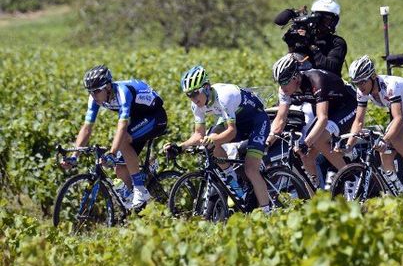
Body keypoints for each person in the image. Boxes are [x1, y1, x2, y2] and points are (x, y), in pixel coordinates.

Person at [163, 65, 272, 212]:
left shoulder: (224, 96)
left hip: (256, 121)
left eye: (195, 93)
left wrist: (213, 141)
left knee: (251, 169)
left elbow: (231, 132)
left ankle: (268, 213)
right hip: (234, 120)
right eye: (189, 95)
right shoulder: (196, 105)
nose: (193, 99)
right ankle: (234, 182)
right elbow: (199, 135)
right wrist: (180, 146)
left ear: (206, 87)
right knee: (210, 139)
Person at [61, 65, 167, 209]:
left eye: (97, 91)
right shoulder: (95, 99)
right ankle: (144, 204)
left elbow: (122, 127)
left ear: (108, 87)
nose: (93, 95)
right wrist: (75, 155)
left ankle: (140, 189)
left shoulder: (122, 93)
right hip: (137, 119)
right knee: (120, 170)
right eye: (90, 92)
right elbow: (87, 128)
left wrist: (111, 153)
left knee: (122, 140)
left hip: (155, 117)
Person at [345, 55, 403, 194]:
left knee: (395, 139)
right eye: (356, 83)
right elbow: (359, 121)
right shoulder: (361, 90)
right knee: (385, 153)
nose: (360, 86)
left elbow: (398, 119)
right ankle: (398, 193)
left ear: (373, 76)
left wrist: (384, 140)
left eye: (362, 82)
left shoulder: (390, 87)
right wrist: (349, 145)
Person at [268, 54, 357, 188]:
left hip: (346, 105)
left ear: (296, 77)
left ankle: (351, 180)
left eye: (285, 81)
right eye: (279, 82)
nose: (282, 86)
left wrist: (306, 143)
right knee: (305, 156)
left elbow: (322, 118)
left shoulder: (315, 80)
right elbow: (280, 119)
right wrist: (267, 142)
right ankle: (316, 191)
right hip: (327, 107)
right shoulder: (284, 90)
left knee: (319, 140)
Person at [281, 0, 347, 77]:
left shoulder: (337, 42)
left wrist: (311, 45)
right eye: (319, 18)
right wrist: (291, 44)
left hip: (328, 85)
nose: (321, 23)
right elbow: (294, 64)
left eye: (326, 19)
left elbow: (331, 69)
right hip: (304, 84)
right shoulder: (307, 37)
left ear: (334, 22)